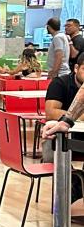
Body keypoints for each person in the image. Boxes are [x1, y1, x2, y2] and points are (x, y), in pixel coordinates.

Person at [37, 62, 84, 203]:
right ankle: (75, 183)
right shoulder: (60, 83)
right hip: (72, 136)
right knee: (52, 140)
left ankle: (77, 186)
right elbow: (51, 112)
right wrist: (66, 121)